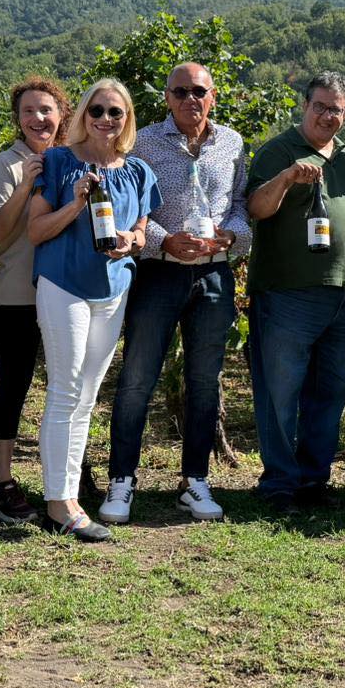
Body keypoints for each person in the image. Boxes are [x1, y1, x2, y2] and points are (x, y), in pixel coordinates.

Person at [98, 63, 249, 526]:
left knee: (205, 381)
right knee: (138, 379)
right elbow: (133, 206)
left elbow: (240, 204)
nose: (190, 99)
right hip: (159, 274)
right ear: (166, 97)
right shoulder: (143, 142)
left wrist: (232, 237)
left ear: (213, 96)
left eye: (198, 91)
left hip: (214, 276)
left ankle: (194, 481)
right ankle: (121, 480)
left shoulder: (233, 143)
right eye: (180, 91)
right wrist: (165, 240)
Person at [27, 78, 159, 541]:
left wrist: (131, 241)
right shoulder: (60, 162)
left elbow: (142, 233)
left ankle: (67, 498)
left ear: (127, 120)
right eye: (97, 111)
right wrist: (76, 203)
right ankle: (59, 502)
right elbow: (36, 232)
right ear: (83, 115)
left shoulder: (140, 172)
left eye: (115, 113)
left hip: (113, 291)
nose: (105, 119)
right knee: (65, 389)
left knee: (86, 395)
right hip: (64, 285)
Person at [245, 72, 345, 513]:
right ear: (305, 105)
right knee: (281, 391)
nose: (326, 115)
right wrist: (285, 179)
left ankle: (314, 480)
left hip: (344, 292)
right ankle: (280, 483)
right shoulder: (279, 150)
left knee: (331, 392)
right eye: (319, 106)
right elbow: (255, 209)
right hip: (288, 293)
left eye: (335, 109)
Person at [0, 77, 72, 524]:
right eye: (29, 111)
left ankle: (69, 475)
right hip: (18, 293)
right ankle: (1, 483)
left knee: (67, 387)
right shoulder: (8, 163)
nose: (38, 118)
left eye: (46, 110)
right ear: (18, 119)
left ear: (62, 114)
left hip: (68, 292)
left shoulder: (75, 160)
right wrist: (28, 184)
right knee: (13, 385)